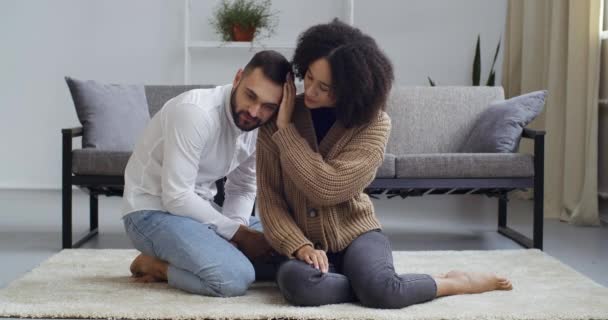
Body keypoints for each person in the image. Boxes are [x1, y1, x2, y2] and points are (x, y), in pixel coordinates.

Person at [256, 19, 513, 308]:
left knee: (380, 291)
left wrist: (287, 133)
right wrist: (299, 245)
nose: (311, 90)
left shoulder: (374, 124)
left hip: (356, 234)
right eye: (309, 76)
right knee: (297, 284)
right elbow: (270, 199)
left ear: (350, 89)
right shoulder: (278, 118)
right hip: (302, 244)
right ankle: (375, 285)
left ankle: (453, 282)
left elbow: (326, 188)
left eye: (325, 87)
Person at [121, 50, 291, 297]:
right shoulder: (196, 113)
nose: (254, 112)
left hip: (200, 214)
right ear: (238, 78)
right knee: (234, 278)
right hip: (151, 213)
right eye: (250, 95)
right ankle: (155, 265)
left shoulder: (258, 126)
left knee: (292, 241)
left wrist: (237, 229)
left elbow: (243, 187)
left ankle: (213, 256)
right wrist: (240, 235)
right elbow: (177, 196)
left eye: (267, 106)